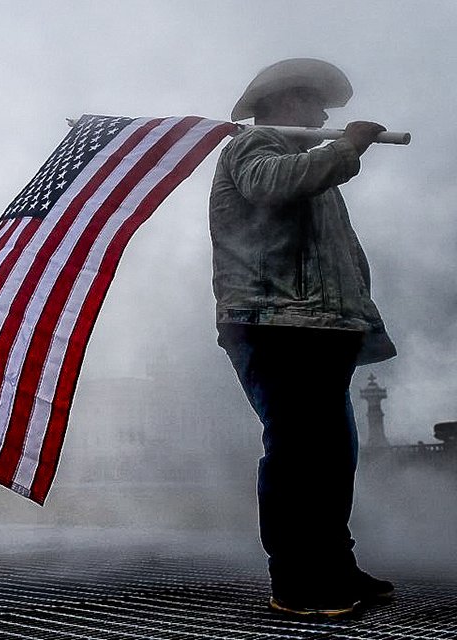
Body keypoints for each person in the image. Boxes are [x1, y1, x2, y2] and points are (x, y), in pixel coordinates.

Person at [210, 58, 396, 617]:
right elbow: (270, 185)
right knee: (297, 453)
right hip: (275, 324)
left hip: (319, 328)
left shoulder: (308, 164)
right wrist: (347, 148)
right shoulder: (256, 144)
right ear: (287, 100)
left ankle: (333, 566)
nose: (322, 116)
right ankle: (296, 580)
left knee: (332, 455)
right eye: (315, 104)